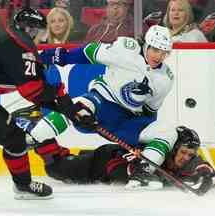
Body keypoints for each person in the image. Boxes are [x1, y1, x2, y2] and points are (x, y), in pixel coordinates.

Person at [0, 7, 93, 206]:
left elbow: (41, 88)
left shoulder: (16, 45)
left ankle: (23, 185)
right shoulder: (16, 46)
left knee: (15, 136)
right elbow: (33, 91)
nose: (41, 37)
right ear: (31, 30)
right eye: (39, 31)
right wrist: (70, 110)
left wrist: (71, 110)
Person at [35, 25, 175, 180]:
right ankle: (33, 137)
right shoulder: (126, 51)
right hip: (101, 104)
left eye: (164, 53)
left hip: (125, 122)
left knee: (167, 132)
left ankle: (141, 171)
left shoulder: (165, 79)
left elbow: (150, 111)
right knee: (77, 106)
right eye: (155, 50)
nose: (159, 56)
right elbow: (90, 52)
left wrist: (140, 143)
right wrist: (60, 56)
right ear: (146, 45)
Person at [41, 126, 215, 195]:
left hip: (107, 162)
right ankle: (40, 138)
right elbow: (113, 168)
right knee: (54, 168)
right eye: (183, 152)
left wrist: (208, 177)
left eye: (190, 154)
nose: (186, 158)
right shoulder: (150, 155)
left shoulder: (187, 159)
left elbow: (206, 168)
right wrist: (142, 174)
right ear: (173, 149)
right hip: (99, 164)